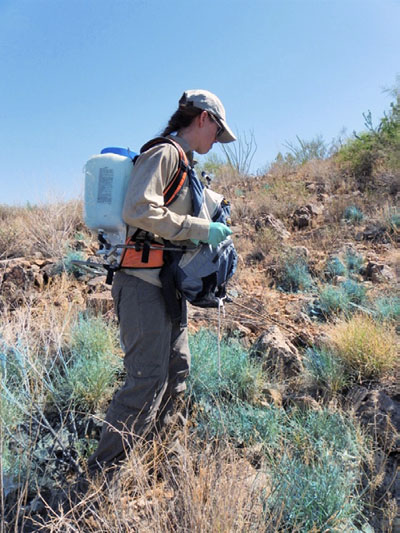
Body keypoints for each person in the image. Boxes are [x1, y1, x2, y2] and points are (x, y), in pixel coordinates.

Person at [87, 89, 236, 475]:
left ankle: (155, 458)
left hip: (166, 286)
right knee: (145, 380)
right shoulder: (165, 152)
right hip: (141, 285)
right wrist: (200, 229)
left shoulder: (185, 163)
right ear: (203, 118)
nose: (216, 143)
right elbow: (137, 209)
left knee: (177, 371)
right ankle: (102, 478)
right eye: (217, 133)